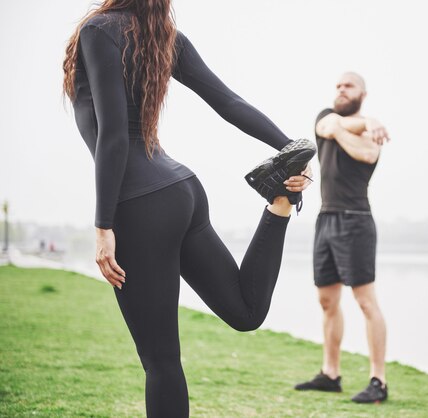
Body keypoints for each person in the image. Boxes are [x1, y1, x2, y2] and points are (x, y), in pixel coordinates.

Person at [62, 1, 316, 417]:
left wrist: (103, 224)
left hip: (138, 204)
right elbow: (229, 102)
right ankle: (280, 204)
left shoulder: (98, 30)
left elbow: (111, 134)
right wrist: (288, 148)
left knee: (160, 363)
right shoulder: (164, 38)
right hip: (182, 190)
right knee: (245, 310)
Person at [294, 72, 390, 403]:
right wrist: (363, 125)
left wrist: (353, 128)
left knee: (366, 301)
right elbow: (327, 127)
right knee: (326, 300)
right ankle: (330, 374)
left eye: (348, 85)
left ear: (363, 93)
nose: (340, 90)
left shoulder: (369, 134)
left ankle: (379, 380)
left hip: (356, 221)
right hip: (326, 220)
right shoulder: (326, 117)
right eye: (337, 86)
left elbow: (366, 155)